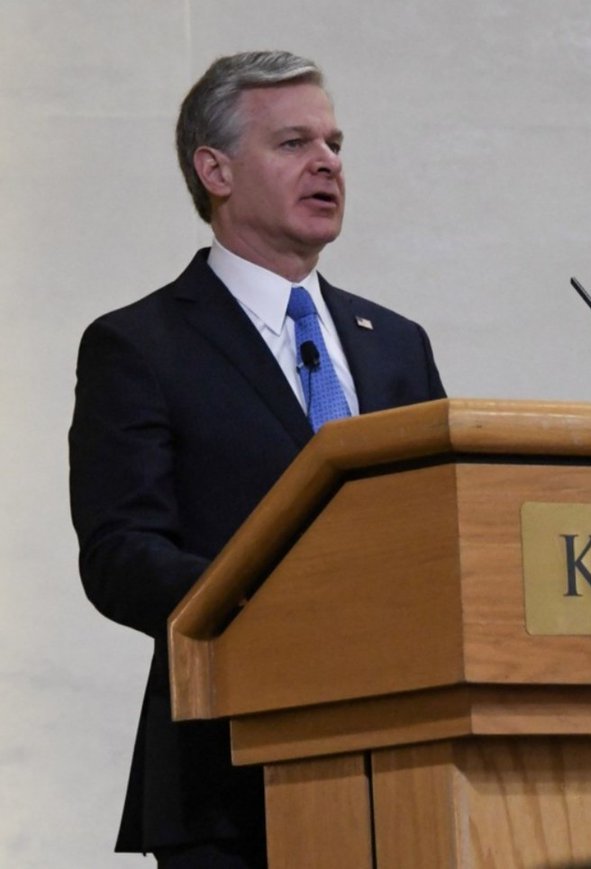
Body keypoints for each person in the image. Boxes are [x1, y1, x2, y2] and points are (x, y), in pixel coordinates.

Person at [69, 50, 445, 867]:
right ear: (216, 170)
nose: (327, 163)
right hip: (227, 779)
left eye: (335, 144)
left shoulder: (397, 345)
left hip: (413, 765)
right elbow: (120, 554)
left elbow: (436, 530)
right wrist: (274, 603)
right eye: (293, 143)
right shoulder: (139, 345)